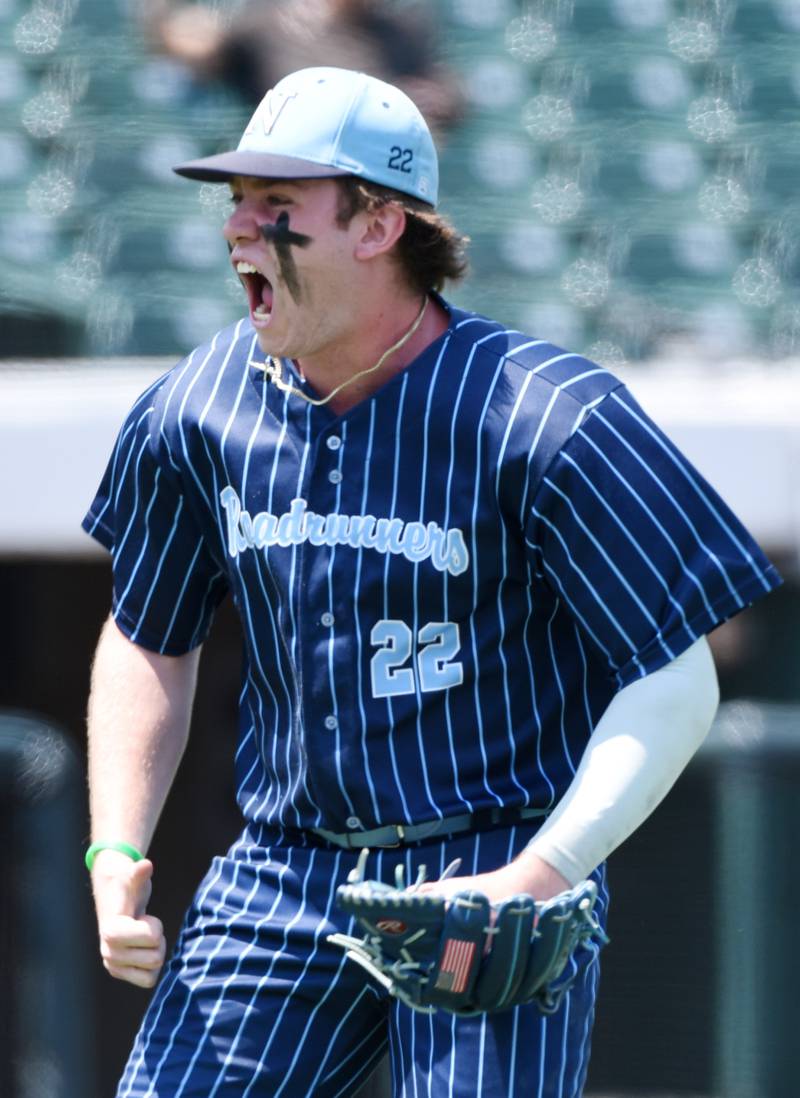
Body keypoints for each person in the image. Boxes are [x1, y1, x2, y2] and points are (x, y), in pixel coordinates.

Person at [83, 66, 781, 1098]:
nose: (239, 230)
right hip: (282, 867)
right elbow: (148, 632)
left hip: (492, 863)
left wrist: (534, 880)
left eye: (278, 207)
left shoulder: (549, 414)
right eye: (235, 203)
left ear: (379, 225)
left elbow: (676, 680)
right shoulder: (196, 405)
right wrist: (113, 849)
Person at [142, 0, 465, 137]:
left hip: (379, 184)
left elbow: (448, 101)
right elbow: (189, 45)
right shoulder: (270, 26)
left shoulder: (403, 32)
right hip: (292, 177)